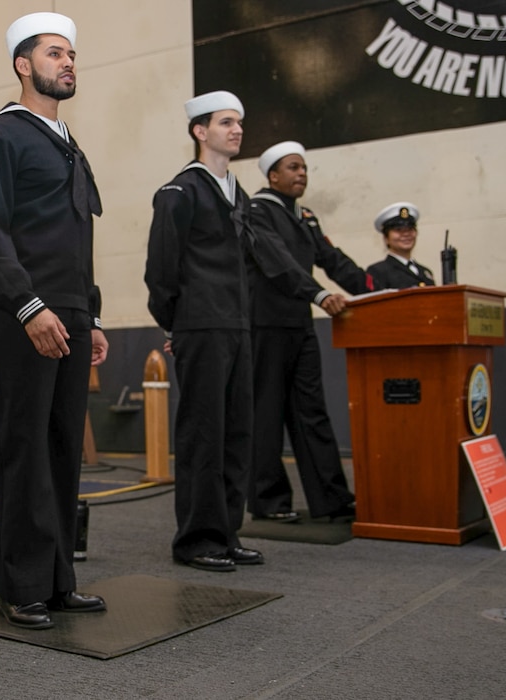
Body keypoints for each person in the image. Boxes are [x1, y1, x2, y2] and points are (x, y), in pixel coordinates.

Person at [144, 92, 347, 572]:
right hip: (201, 325)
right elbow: (160, 271)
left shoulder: (236, 194)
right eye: (225, 122)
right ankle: (195, 539)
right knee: (202, 436)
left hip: (239, 327)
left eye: (239, 122)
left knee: (237, 434)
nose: (236, 130)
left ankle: (226, 531)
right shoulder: (180, 192)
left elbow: (262, 262)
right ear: (200, 131)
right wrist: (178, 324)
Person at [0, 12, 108, 630]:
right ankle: (20, 587)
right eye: (54, 54)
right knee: (23, 448)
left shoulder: (67, 141)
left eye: (71, 54)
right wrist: (30, 308)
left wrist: (90, 314)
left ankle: (56, 582)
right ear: (24, 65)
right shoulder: (0, 136)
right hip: (23, 315)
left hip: (70, 313)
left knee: (60, 451)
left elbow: (75, 239)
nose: (67, 62)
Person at [247, 141, 372, 524]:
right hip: (265, 325)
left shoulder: (304, 215)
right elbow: (278, 264)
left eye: (304, 168)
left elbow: (333, 260)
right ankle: (269, 502)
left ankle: (331, 499)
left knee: (312, 412)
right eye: (293, 167)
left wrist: (376, 291)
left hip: (299, 325)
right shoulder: (257, 211)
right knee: (266, 414)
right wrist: (317, 294)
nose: (302, 174)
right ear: (273, 176)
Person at [366, 202, 435, 288]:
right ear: (386, 238)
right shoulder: (378, 271)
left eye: (410, 229)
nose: (406, 234)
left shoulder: (425, 272)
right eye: (398, 230)